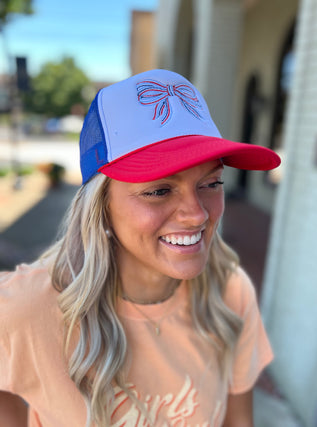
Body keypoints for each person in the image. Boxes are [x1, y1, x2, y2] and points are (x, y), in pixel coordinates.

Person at [0, 69, 280, 427]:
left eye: (211, 182)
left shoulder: (230, 291)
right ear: (100, 205)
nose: (197, 215)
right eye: (160, 190)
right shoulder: (29, 310)